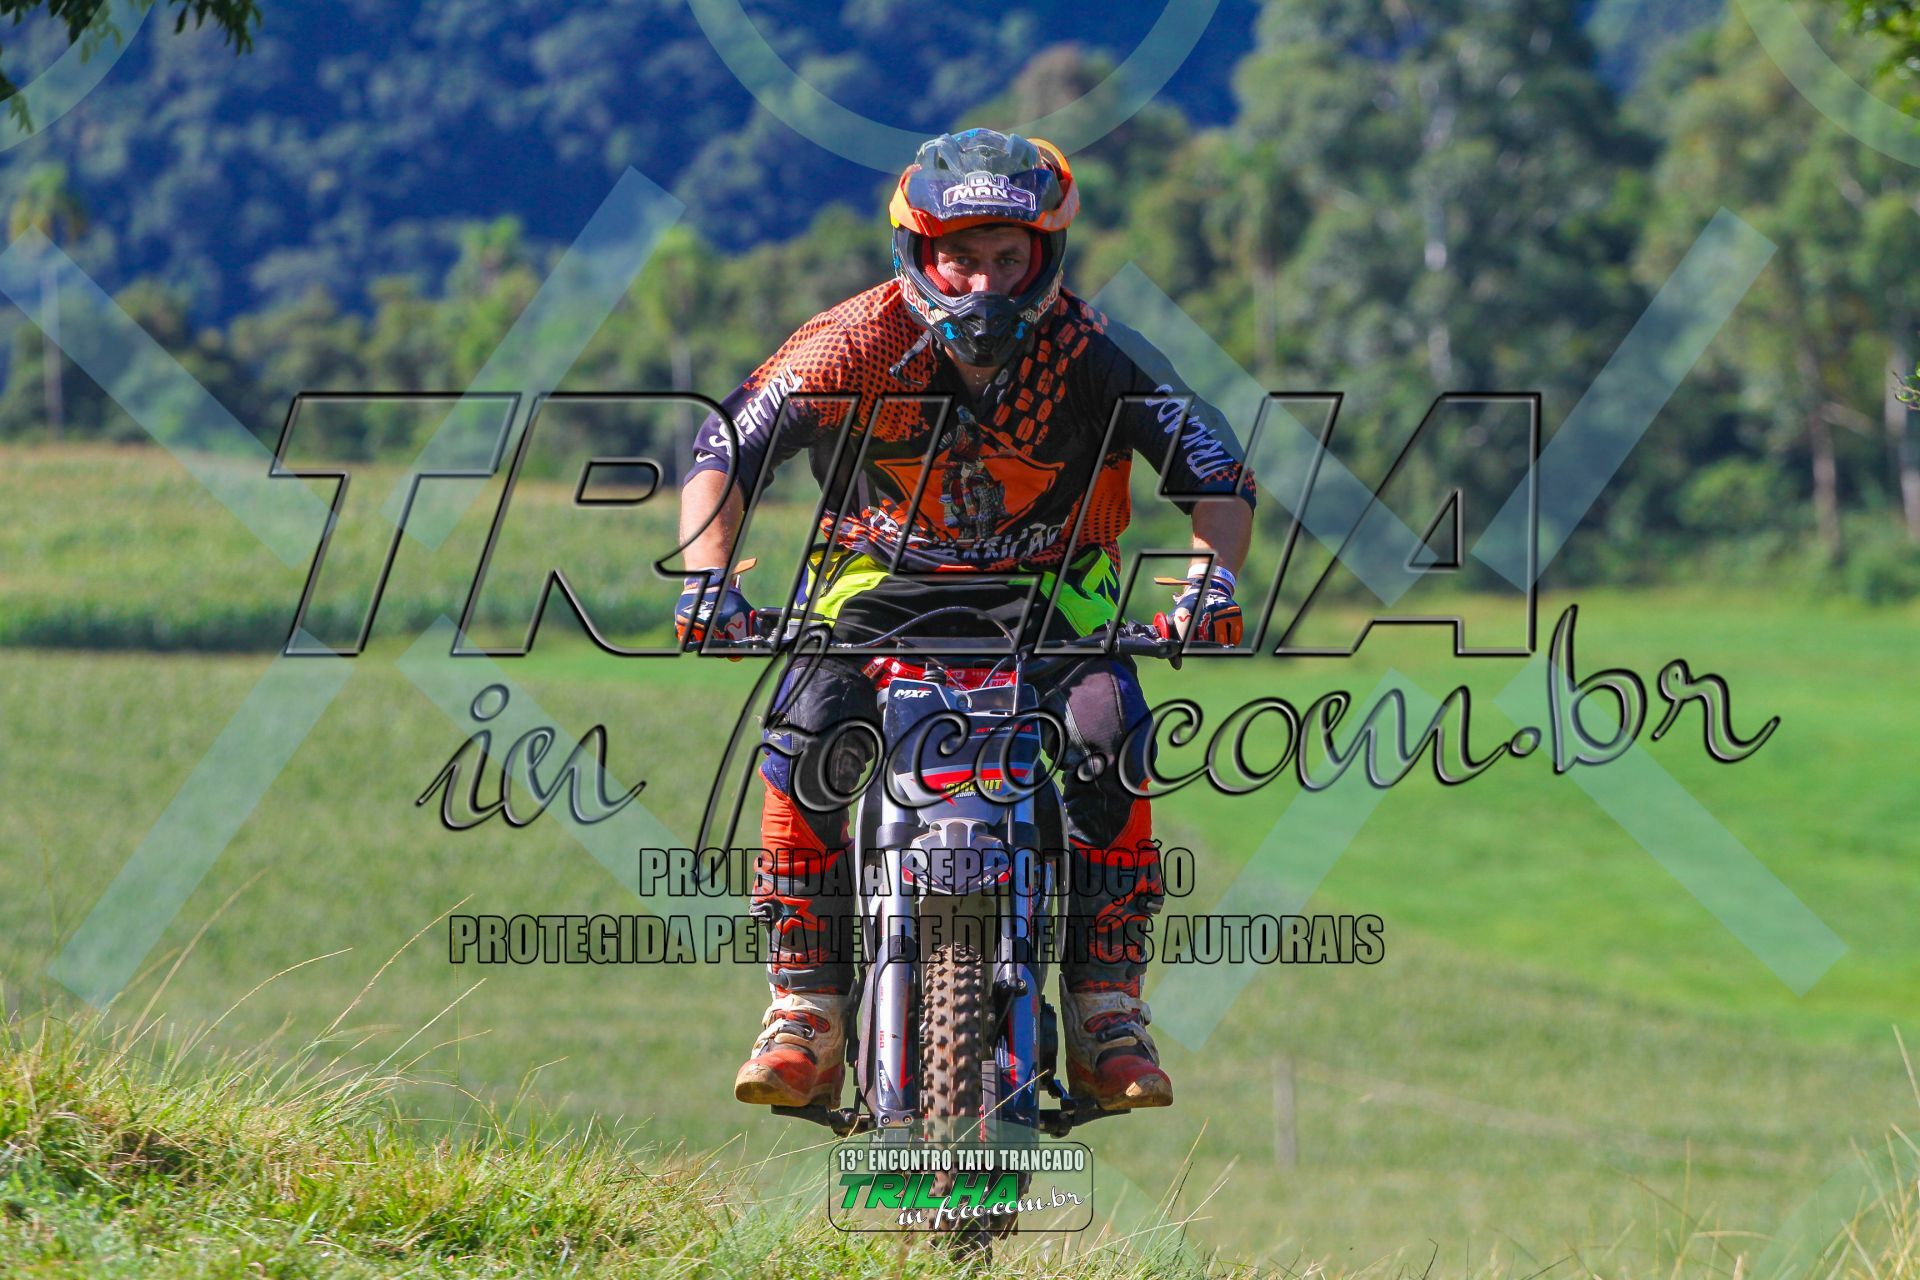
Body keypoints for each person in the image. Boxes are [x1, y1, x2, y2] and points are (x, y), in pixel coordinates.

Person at [674, 128, 1255, 1113]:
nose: (983, 285)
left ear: (1046, 255)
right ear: (916, 251)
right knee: (805, 732)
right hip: (873, 589)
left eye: (1007, 258)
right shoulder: (853, 341)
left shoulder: (1097, 349)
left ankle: (1108, 1007)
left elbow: (1216, 471)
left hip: (1054, 595)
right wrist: (707, 581)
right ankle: (804, 1005)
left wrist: (1212, 581)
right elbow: (723, 450)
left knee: (1111, 736)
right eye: (960, 258)